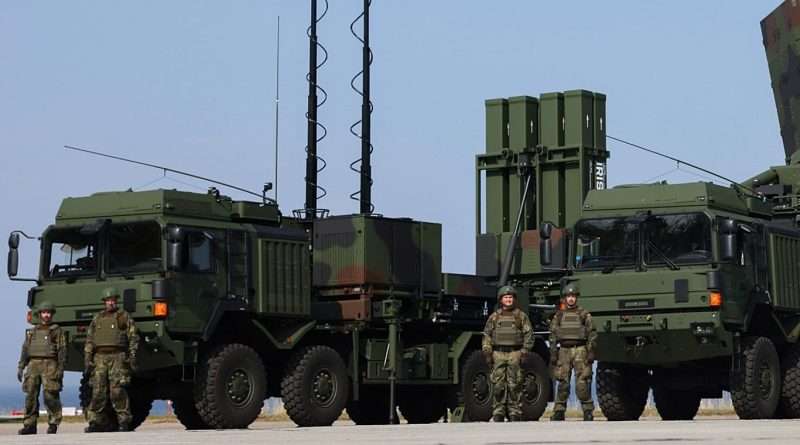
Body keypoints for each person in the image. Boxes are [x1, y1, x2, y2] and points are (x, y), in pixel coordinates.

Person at [84, 287, 139, 432]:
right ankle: (96, 422)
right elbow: (90, 340)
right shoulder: (97, 318)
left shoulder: (123, 316)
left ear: (116, 301)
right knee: (98, 391)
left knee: (117, 391)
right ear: (104, 302)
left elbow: (133, 337)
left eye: (113, 300)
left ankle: (124, 422)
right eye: (108, 300)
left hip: (118, 357)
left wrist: (132, 356)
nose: (111, 303)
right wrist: (88, 358)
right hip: (100, 358)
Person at [481, 285, 534, 422]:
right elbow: (487, 335)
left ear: (514, 299)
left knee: (514, 384)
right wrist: (487, 352)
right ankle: (498, 411)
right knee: (498, 385)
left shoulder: (521, 316)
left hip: (515, 353)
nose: (508, 300)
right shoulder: (494, 317)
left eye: (510, 297)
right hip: (498, 353)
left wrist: (524, 352)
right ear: (501, 300)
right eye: (506, 297)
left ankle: (514, 411)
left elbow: (529, 335)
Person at [549, 283, 597, 421]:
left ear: (576, 298)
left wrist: (591, 351)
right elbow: (552, 334)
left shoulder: (584, 314)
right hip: (564, 350)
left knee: (582, 382)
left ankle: (587, 410)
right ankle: (559, 411)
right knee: (562, 382)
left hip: (580, 350)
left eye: (573, 296)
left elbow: (592, 333)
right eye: (568, 296)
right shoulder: (559, 315)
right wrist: (553, 353)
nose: (571, 299)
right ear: (565, 298)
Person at [17, 301, 66, 435]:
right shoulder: (32, 332)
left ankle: (53, 423)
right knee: (30, 395)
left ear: (52, 314)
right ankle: (29, 425)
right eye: (44, 313)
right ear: (40, 314)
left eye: (48, 313)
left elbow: (62, 351)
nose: (46, 315)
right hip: (33, 364)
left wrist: (60, 369)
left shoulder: (56, 331)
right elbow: (25, 349)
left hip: (50, 364)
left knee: (50, 395)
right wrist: (21, 366)